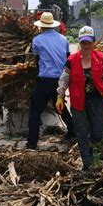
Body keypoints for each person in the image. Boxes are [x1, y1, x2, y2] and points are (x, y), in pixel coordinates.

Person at [56, 26, 103, 174]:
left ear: (93, 42)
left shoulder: (100, 58)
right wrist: (60, 96)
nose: (86, 45)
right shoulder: (72, 60)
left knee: (98, 133)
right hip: (78, 103)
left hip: (96, 100)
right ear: (79, 42)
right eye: (83, 42)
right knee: (81, 133)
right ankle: (87, 165)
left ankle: (90, 145)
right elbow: (64, 79)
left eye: (88, 42)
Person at [26, 12, 75, 149]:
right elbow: (68, 58)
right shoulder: (63, 39)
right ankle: (73, 132)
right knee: (60, 106)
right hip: (61, 79)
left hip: (45, 79)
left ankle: (31, 143)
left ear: (41, 26)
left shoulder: (37, 40)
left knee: (35, 111)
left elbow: (36, 57)